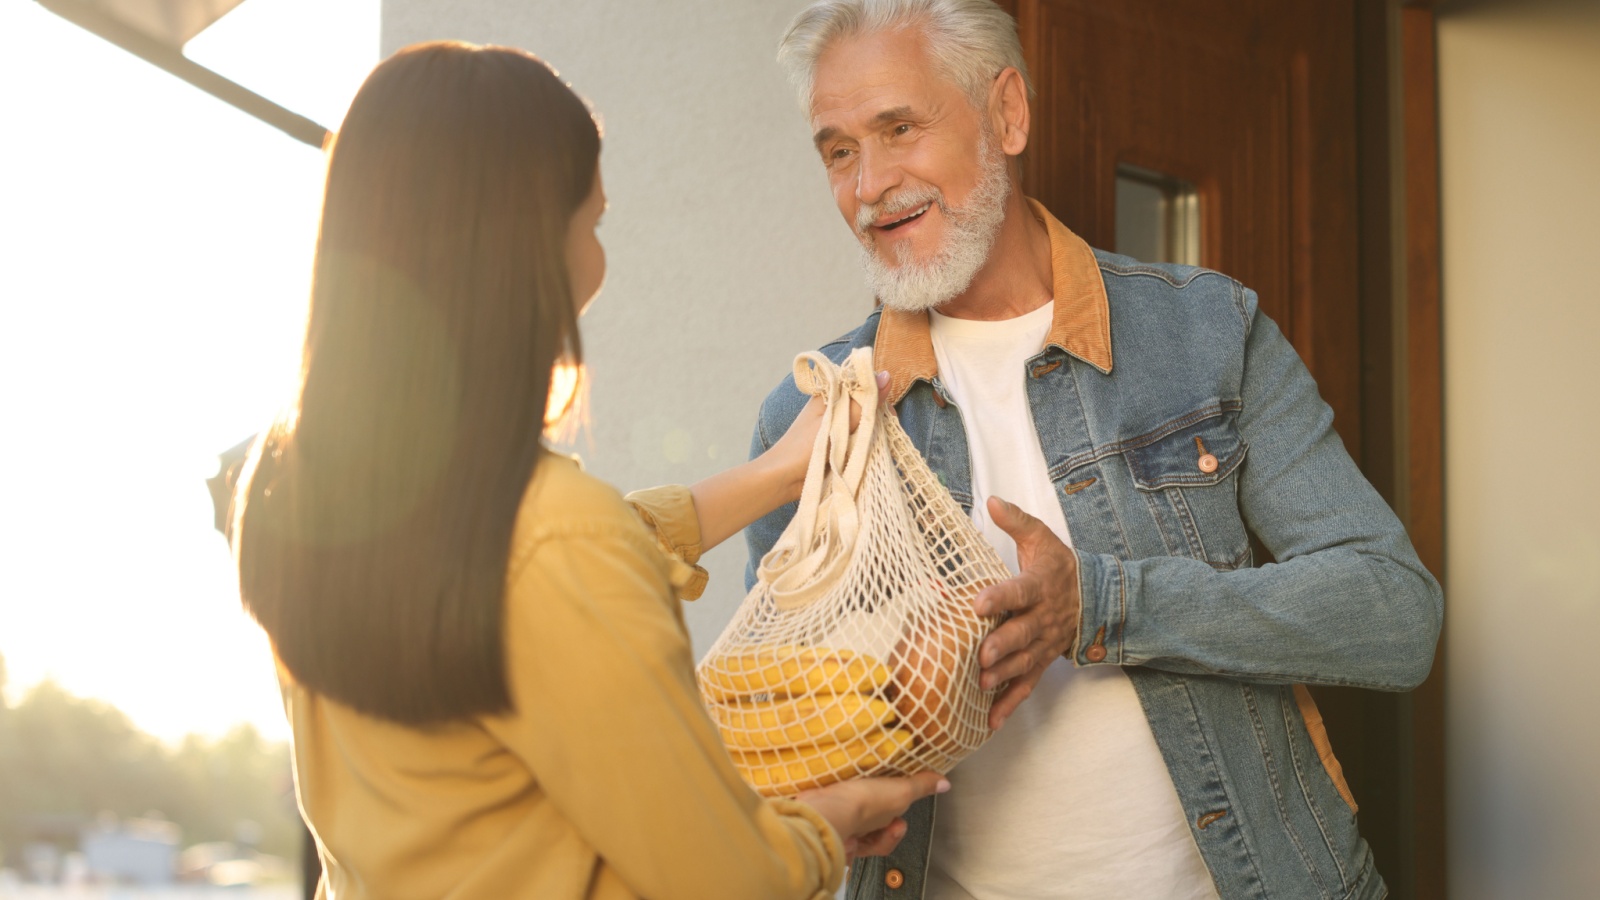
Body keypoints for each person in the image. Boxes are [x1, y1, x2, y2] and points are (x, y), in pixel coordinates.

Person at [746, 2, 1444, 898]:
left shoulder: (1209, 330)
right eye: (838, 150)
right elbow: (788, 727)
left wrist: (1104, 606)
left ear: (1007, 113)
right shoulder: (810, 421)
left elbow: (1394, 616)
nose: (870, 183)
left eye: (900, 128)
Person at [231, 40, 945, 900]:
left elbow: (515, 575)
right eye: (592, 222)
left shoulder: (290, 490)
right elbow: (722, 877)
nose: (599, 265)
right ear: (526, 247)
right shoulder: (556, 540)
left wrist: (777, 473)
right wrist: (824, 825)